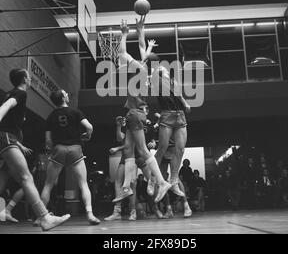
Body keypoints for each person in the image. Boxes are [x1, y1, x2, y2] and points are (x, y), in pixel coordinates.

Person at [0, 69, 70, 231]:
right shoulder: (20, 93)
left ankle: (7, 210)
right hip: (6, 137)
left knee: (4, 175)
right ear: (25, 79)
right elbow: (7, 106)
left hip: (7, 138)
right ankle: (44, 217)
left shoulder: (11, 92)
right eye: (29, 77)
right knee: (26, 177)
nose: (31, 79)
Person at [113, 18, 171, 204]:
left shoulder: (137, 68)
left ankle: (161, 182)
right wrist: (140, 30)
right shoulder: (148, 73)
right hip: (136, 113)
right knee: (129, 149)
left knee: (144, 151)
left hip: (135, 113)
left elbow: (122, 52)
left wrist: (124, 34)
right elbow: (141, 47)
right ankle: (126, 188)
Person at [39, 89, 100, 225]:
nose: (68, 94)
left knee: (48, 185)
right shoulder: (76, 112)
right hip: (75, 149)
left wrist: (52, 151)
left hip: (59, 149)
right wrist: (87, 135)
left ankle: (40, 217)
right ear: (63, 98)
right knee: (83, 184)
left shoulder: (51, 116)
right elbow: (89, 127)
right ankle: (90, 214)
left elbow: (48, 141)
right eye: (65, 93)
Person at [148, 66, 191, 198]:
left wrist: (185, 103)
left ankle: (173, 181)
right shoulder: (156, 81)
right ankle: (152, 178)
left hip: (180, 115)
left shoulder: (173, 81)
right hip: (167, 115)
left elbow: (178, 94)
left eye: (164, 67)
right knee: (162, 148)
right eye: (160, 68)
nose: (163, 68)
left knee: (181, 149)